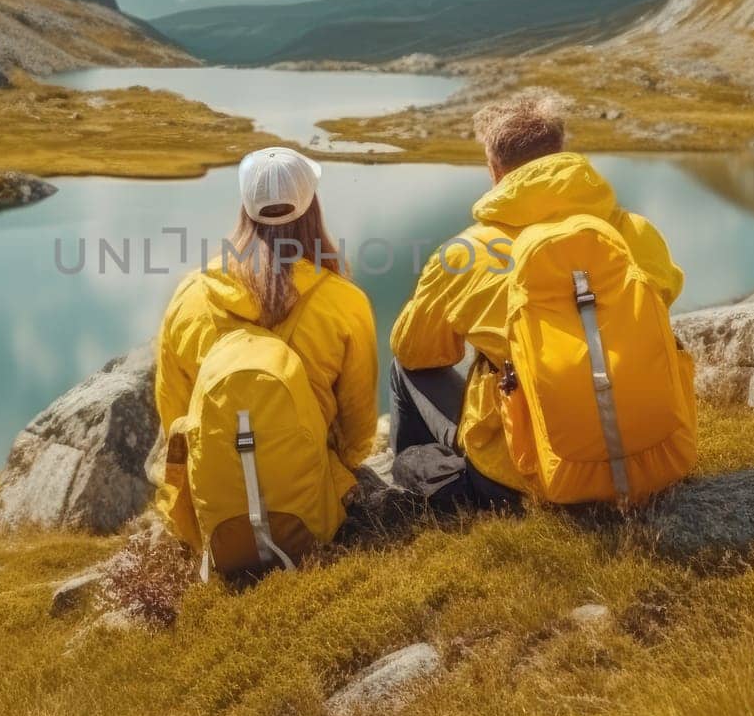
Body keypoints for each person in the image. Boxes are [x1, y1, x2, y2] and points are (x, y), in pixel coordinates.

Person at [389, 93, 693, 509]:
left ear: (495, 170)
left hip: (526, 478)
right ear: (562, 154)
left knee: (402, 369)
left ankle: (423, 492)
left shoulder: (464, 253)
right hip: (657, 458)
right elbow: (664, 296)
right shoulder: (634, 233)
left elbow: (417, 352)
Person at [152, 146, 379, 573]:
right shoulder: (344, 300)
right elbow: (359, 429)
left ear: (245, 208)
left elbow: (173, 415)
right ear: (313, 207)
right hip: (313, 508)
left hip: (216, 512)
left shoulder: (191, 294)